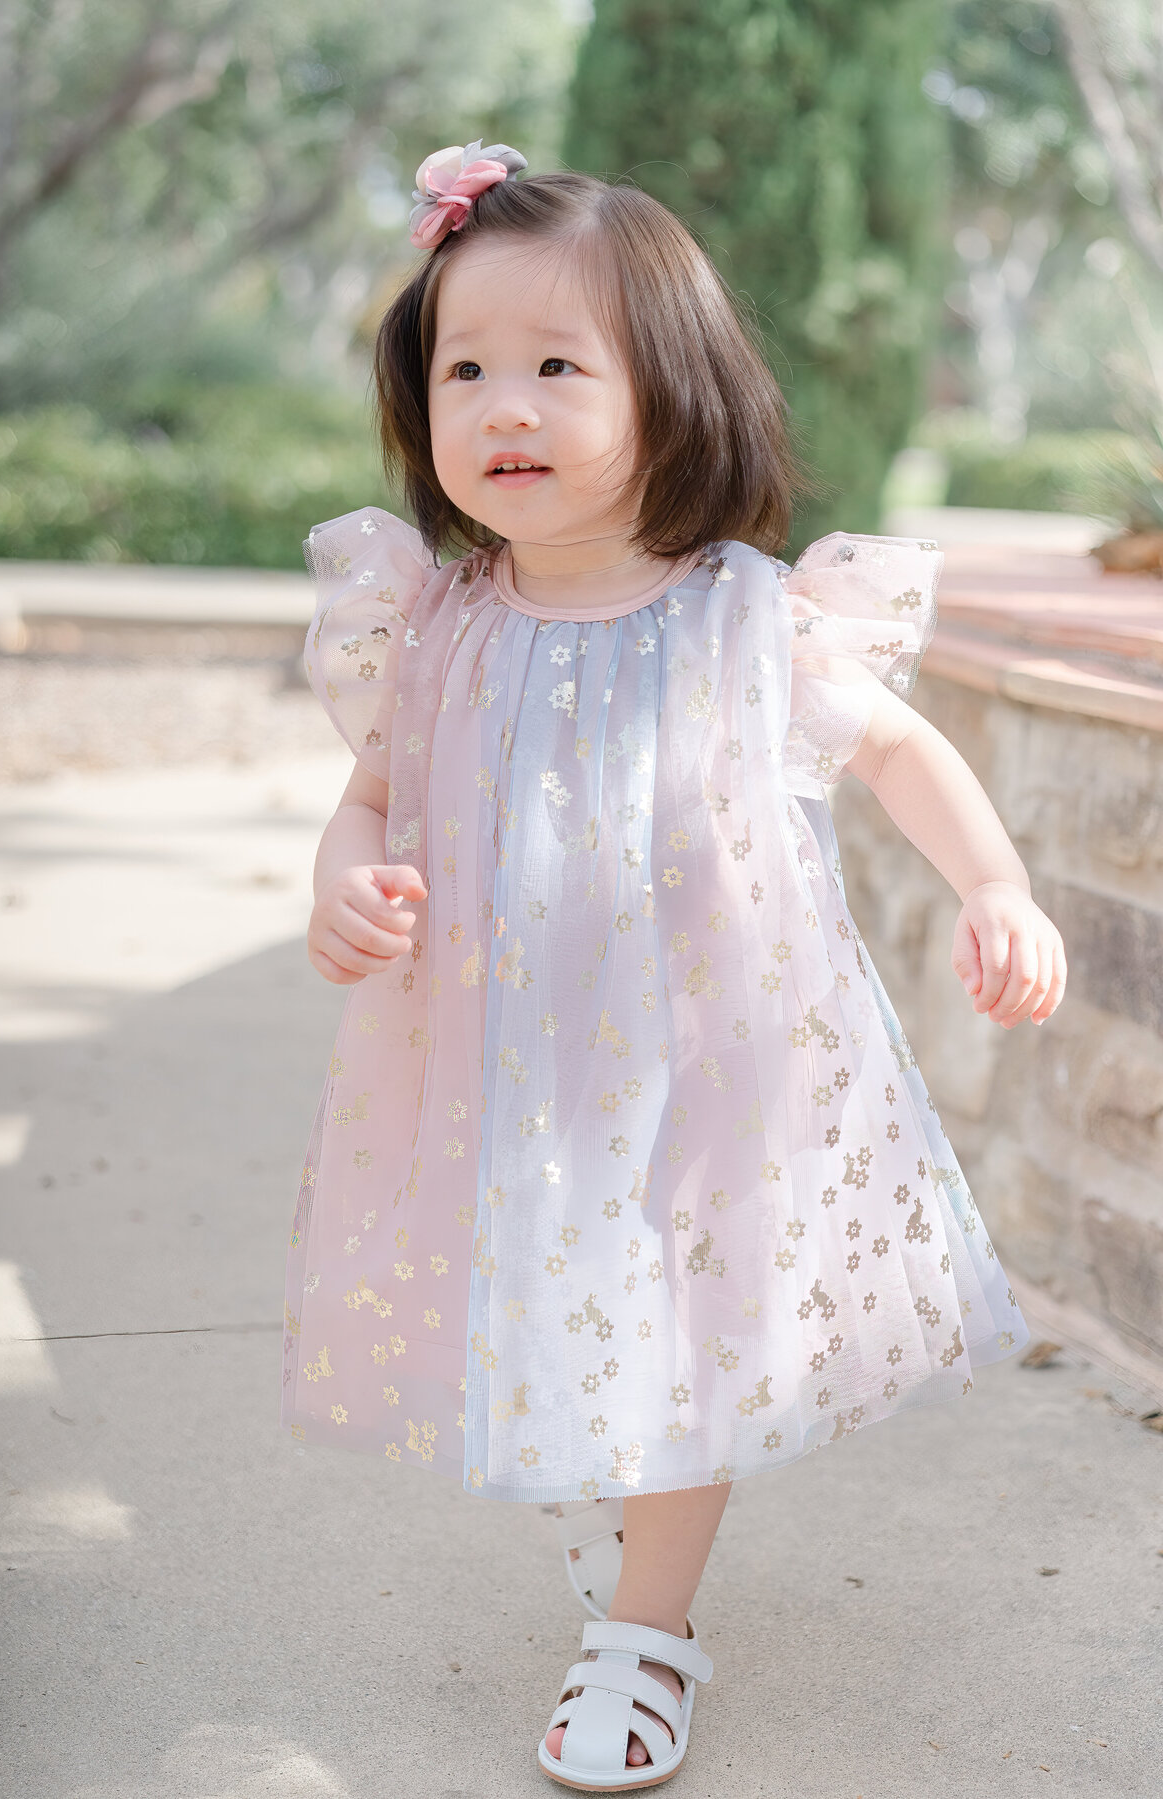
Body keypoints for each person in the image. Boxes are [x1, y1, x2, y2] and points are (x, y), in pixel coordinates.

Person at [281, 139, 1067, 1791]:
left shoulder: (744, 620)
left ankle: (645, 1637)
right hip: (503, 1074)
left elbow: (902, 754)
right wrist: (344, 886)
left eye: (559, 366)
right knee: (553, 1328)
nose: (505, 405)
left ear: (674, 389)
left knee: (672, 1344)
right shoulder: (438, 626)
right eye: (466, 368)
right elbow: (373, 801)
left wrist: (997, 885)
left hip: (703, 1072)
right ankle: (622, 1526)